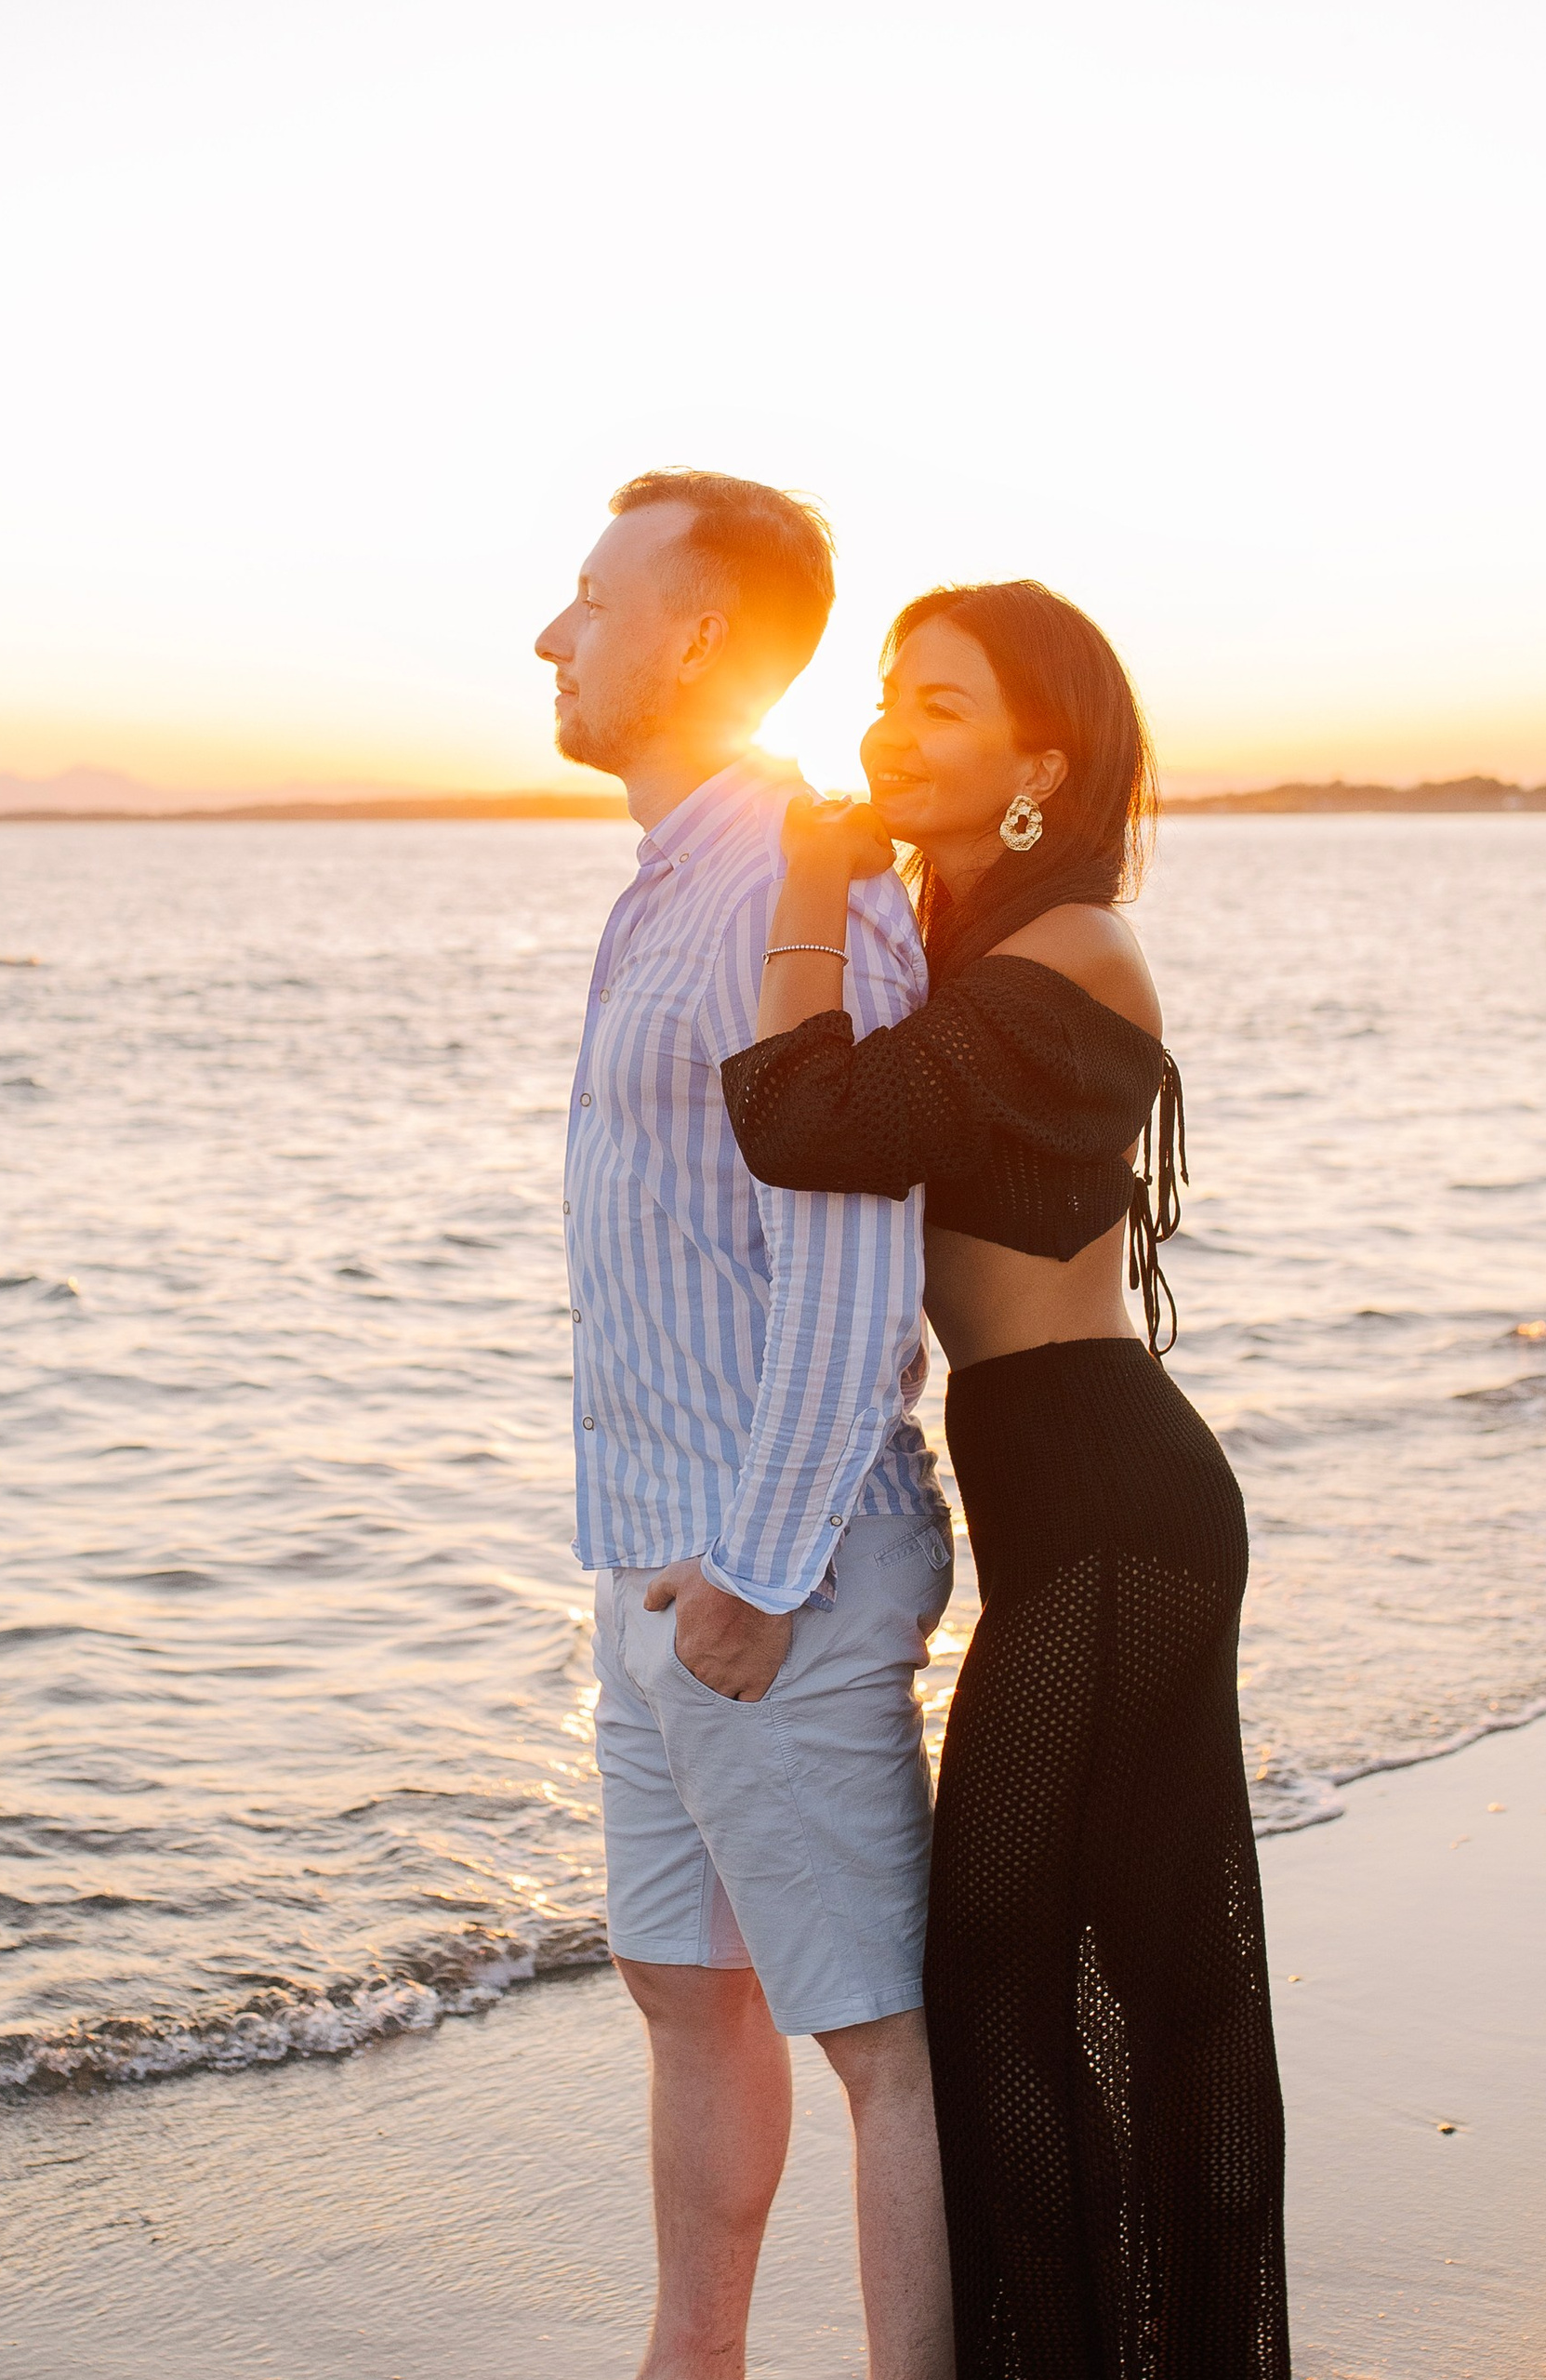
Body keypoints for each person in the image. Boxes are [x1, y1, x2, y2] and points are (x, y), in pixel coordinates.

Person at [720, 581, 1290, 2378]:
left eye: (942, 707)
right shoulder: (981, 951)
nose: (893, 726)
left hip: (1119, 1514)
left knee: (1035, 1978)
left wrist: (812, 886)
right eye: (888, 694)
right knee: (1093, 1974)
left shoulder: (1075, 958)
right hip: (1073, 1511)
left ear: (1041, 762)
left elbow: (804, 1122)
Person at [539, 470, 958, 2380]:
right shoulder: (672, 883)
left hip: (765, 1557)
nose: (552, 635)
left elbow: (857, 1255)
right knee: (680, 1987)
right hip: (660, 1546)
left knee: (873, 2032)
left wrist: (761, 1566)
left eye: (589, 598)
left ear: (694, 633)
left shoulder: (799, 881)